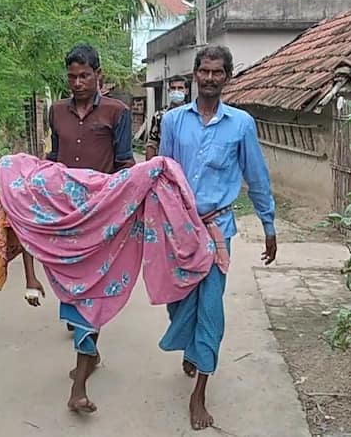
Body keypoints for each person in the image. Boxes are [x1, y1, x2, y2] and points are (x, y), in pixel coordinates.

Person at [158, 46, 277, 430]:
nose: (210, 78)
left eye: (218, 72)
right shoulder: (174, 121)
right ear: (194, 75)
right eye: (204, 71)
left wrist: (269, 225)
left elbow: (256, 177)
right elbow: (164, 174)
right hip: (179, 229)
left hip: (216, 231)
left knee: (210, 308)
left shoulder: (241, 124)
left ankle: (200, 392)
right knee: (178, 304)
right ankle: (191, 347)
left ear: (227, 77)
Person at [41, 43, 135, 412]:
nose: (78, 83)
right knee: (71, 286)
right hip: (64, 214)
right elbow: (52, 159)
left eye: (84, 76)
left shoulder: (117, 112)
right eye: (72, 77)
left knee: (91, 291)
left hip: (101, 215)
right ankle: (89, 352)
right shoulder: (56, 112)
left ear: (99, 76)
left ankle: (78, 385)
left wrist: (126, 206)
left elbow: (125, 163)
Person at [145, 74, 189, 160]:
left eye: (180, 88)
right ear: (169, 91)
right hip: (165, 163)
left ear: (186, 91)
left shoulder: (192, 114)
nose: (176, 91)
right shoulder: (160, 115)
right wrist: (149, 167)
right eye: (173, 88)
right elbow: (152, 143)